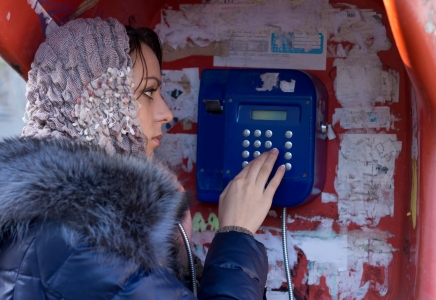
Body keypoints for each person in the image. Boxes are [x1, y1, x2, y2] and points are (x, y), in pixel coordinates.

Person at [0, 17, 285, 299]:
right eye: (149, 92)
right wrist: (237, 233)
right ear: (95, 103)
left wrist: (176, 258)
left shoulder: (60, 216)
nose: (166, 113)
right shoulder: (90, 238)